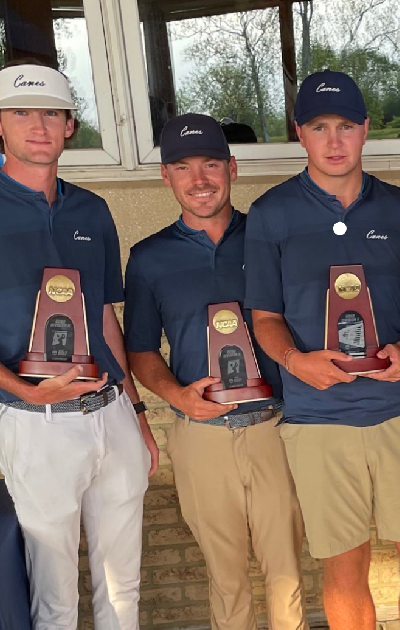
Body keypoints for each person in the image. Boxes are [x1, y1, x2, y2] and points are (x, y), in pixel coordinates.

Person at [0, 63, 157, 629]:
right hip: (35, 424)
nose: (38, 125)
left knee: (123, 587)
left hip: (110, 414)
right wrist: (25, 392)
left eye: (52, 113)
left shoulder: (91, 209)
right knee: (54, 593)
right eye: (21, 112)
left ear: (69, 126)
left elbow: (105, 316)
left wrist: (137, 413)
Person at [244, 70, 400, 630]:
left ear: (364, 132)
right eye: (319, 127)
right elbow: (264, 317)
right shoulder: (271, 213)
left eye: (345, 127)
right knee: (344, 571)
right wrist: (294, 362)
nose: (333, 142)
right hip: (317, 418)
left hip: (399, 409)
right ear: (300, 134)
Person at [124, 113, 307, 630]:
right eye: (183, 167)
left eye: (210, 164)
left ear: (232, 168)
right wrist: (175, 396)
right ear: (166, 175)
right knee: (225, 579)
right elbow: (140, 349)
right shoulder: (148, 258)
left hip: (275, 427)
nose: (199, 179)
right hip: (201, 435)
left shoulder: (270, 240)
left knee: (286, 573)